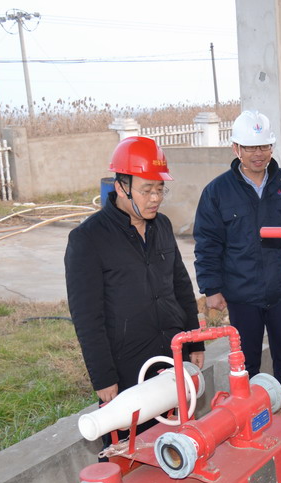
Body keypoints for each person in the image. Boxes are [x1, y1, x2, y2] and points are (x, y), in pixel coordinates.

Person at [65, 136, 204, 454]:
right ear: (121, 187)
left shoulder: (162, 226)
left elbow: (181, 286)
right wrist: (103, 377)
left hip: (171, 355)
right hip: (127, 366)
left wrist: (194, 340)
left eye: (160, 189)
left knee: (177, 441)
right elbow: (87, 316)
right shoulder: (88, 239)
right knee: (128, 450)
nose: (155, 198)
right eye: (146, 190)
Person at [193, 110, 281, 383]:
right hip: (242, 293)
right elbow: (208, 243)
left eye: (264, 146)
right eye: (250, 147)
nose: (258, 154)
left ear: (271, 147)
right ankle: (253, 407)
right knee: (246, 361)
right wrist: (212, 288)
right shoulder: (218, 191)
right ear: (236, 148)